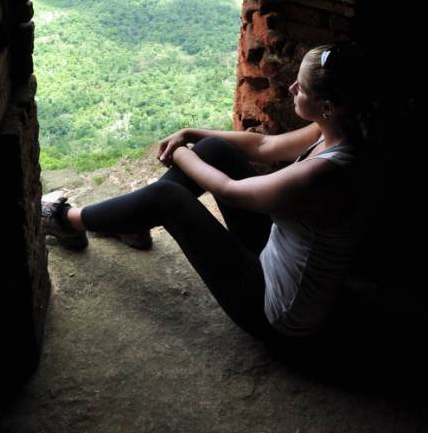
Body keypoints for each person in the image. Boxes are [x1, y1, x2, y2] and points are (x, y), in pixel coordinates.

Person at [42, 42, 382, 346]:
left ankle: (67, 221)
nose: (292, 88)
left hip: (276, 312)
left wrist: (181, 154)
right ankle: (130, 221)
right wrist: (192, 134)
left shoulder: (323, 175)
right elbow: (265, 145)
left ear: (327, 105)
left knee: (167, 198)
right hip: (279, 252)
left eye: (302, 87)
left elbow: (230, 191)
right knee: (216, 149)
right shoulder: (338, 129)